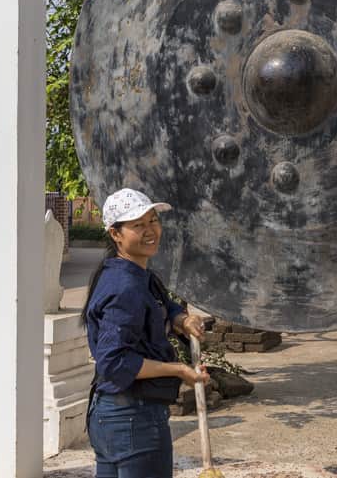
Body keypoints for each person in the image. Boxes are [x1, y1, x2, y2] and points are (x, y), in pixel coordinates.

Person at [83, 188, 209, 478]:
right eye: (137, 225)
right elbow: (114, 362)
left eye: (152, 220)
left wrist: (183, 321)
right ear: (116, 234)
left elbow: (163, 305)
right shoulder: (123, 287)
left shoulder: (137, 275)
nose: (150, 230)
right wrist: (179, 369)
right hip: (132, 419)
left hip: (114, 418)